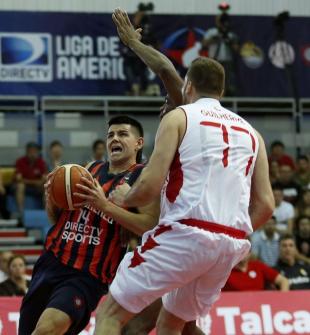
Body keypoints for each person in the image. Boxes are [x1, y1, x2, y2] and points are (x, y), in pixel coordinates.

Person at [95, 10, 274, 335]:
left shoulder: (180, 116)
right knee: (174, 324)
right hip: (228, 244)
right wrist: (227, 233)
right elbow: (266, 206)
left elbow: (147, 186)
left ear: (187, 86)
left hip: (186, 234)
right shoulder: (252, 133)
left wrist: (124, 197)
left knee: (110, 314)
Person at [18, 116, 160, 335]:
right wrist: (51, 199)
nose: (115, 139)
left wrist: (104, 206)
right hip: (51, 261)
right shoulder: (88, 169)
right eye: (111, 135)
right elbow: (58, 220)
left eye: (123, 134)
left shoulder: (142, 178)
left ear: (138, 143)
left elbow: (150, 227)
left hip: (87, 275)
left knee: (47, 329)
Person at [201, 5, 239, 96]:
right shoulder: (212, 32)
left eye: (224, 21)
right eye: (220, 20)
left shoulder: (231, 34)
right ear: (216, 21)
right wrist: (216, 38)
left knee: (224, 82)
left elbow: (237, 49)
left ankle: (223, 100)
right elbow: (204, 44)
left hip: (227, 62)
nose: (222, 23)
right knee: (212, 82)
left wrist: (228, 39)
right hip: (214, 60)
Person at [223, 253, 289, 291]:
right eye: (239, 250)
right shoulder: (225, 270)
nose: (242, 252)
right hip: (236, 308)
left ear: (249, 253)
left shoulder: (258, 266)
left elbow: (284, 281)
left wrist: (282, 300)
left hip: (260, 307)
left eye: (245, 249)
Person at [14, 142, 47, 216]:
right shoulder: (20, 162)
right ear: (27, 152)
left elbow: (44, 178)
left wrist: (40, 182)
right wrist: (35, 182)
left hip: (36, 186)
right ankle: (21, 212)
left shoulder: (41, 162)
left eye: (35, 151)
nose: (32, 154)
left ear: (38, 152)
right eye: (31, 151)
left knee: (46, 186)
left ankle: (47, 211)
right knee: (20, 186)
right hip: (23, 185)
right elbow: (19, 179)